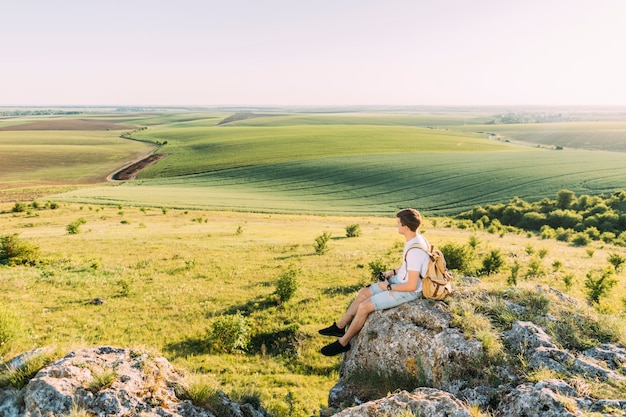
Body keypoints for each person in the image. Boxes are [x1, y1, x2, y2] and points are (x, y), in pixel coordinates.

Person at [318, 208, 430, 356]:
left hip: (408, 291)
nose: (397, 225)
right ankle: (339, 326)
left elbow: (412, 285)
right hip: (401, 279)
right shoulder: (415, 240)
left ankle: (343, 343)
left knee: (364, 307)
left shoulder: (415, 250)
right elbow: (409, 267)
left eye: (398, 223)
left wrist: (388, 286)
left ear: (405, 227)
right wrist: (392, 273)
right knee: (364, 292)